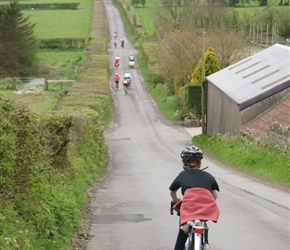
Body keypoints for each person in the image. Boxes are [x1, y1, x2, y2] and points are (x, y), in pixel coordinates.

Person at [169, 146, 220, 250]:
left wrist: (177, 201)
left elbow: (172, 191)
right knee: (203, 224)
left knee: (182, 233)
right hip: (205, 209)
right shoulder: (209, 176)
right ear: (200, 163)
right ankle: (205, 243)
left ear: (183, 163)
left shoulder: (182, 176)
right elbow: (214, 196)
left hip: (189, 208)